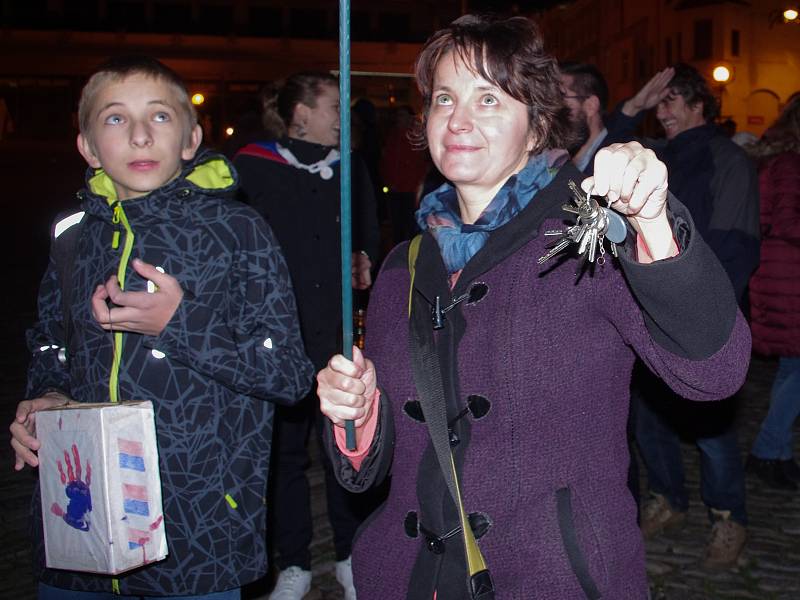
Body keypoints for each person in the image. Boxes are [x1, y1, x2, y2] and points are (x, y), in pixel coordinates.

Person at [316, 15, 751, 599]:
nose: (459, 119)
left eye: (489, 98)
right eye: (444, 97)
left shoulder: (588, 239)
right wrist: (361, 415)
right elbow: (373, 467)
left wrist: (652, 224)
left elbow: (713, 372)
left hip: (555, 575)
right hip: (412, 578)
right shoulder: (403, 266)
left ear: (536, 124)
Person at [9, 56, 314, 599]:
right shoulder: (73, 236)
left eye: (160, 117)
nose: (141, 134)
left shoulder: (237, 230)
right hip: (81, 523)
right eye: (116, 119)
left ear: (192, 138)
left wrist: (179, 324)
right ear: (87, 145)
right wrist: (44, 395)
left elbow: (288, 374)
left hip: (196, 529)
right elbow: (51, 342)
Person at [233, 72, 380, 600]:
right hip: (277, 334)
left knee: (345, 448)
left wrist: (366, 258)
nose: (344, 115)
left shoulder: (349, 166)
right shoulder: (250, 166)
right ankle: (293, 563)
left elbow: (367, 232)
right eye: (332, 106)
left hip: (335, 329)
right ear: (300, 115)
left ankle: (349, 554)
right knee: (284, 455)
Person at [620, 63, 760, 569]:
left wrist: (703, 316)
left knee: (711, 428)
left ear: (701, 104)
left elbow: (737, 245)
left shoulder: (729, 159)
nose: (664, 110)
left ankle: (729, 519)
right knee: (650, 419)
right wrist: (629, 109)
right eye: (659, 102)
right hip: (646, 313)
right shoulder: (654, 155)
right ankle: (668, 498)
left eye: (674, 99)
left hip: (703, 316)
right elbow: (587, 164)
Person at [745, 94, 800, 490]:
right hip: (789, 278)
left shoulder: (777, 159)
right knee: (796, 370)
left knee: (791, 368)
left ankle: (777, 454)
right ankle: (768, 451)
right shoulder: (791, 164)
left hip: (780, 276)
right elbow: (786, 221)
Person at [559, 62, 675, 175]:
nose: (551, 109)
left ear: (590, 106)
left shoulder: (627, 165)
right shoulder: (558, 165)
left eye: (560, 98)